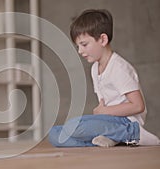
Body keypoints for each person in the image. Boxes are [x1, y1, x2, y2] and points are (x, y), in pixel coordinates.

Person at [49, 9, 160, 147]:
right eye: (78, 46)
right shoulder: (95, 69)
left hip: (126, 121)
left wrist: (103, 111)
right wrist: (101, 113)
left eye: (84, 45)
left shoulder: (119, 67)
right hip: (108, 120)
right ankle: (113, 139)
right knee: (54, 134)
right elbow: (103, 104)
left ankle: (133, 134)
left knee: (74, 125)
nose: (80, 51)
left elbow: (138, 105)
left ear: (102, 39)